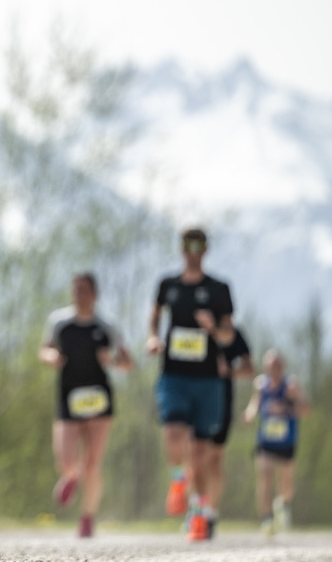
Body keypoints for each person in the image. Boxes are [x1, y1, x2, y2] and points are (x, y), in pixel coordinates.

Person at [147, 227, 235, 542]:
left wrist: (213, 329)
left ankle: (198, 515)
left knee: (201, 454)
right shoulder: (168, 285)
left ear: (206, 249)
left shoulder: (219, 289)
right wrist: (154, 337)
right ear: (182, 248)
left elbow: (229, 334)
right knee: (172, 434)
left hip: (209, 380)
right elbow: (155, 316)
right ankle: (178, 479)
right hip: (174, 375)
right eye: (187, 244)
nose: (193, 249)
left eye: (198, 244)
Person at [40, 272, 133, 538]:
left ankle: (87, 517)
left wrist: (112, 361)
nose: (79, 294)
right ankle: (71, 476)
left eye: (84, 290)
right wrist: (51, 357)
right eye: (75, 289)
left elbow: (128, 363)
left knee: (93, 463)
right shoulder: (59, 323)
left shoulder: (107, 327)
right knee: (66, 460)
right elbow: (43, 350)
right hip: (69, 397)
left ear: (95, 294)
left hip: (98, 399)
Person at [243, 349, 311, 536]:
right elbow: (254, 405)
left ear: (283, 366)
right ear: (266, 366)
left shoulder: (292, 384)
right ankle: (267, 519)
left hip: (287, 440)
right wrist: (248, 415)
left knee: (286, 483)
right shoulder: (260, 384)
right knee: (265, 477)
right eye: (271, 365)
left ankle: (283, 503)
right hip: (266, 441)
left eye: (278, 365)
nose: (275, 368)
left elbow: (305, 410)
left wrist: (292, 400)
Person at [200, 326, 254, 538]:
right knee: (195, 457)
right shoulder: (191, 324)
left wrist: (228, 371)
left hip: (221, 403)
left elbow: (250, 369)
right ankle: (195, 508)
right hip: (195, 402)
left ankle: (210, 514)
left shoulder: (233, 333)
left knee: (214, 461)